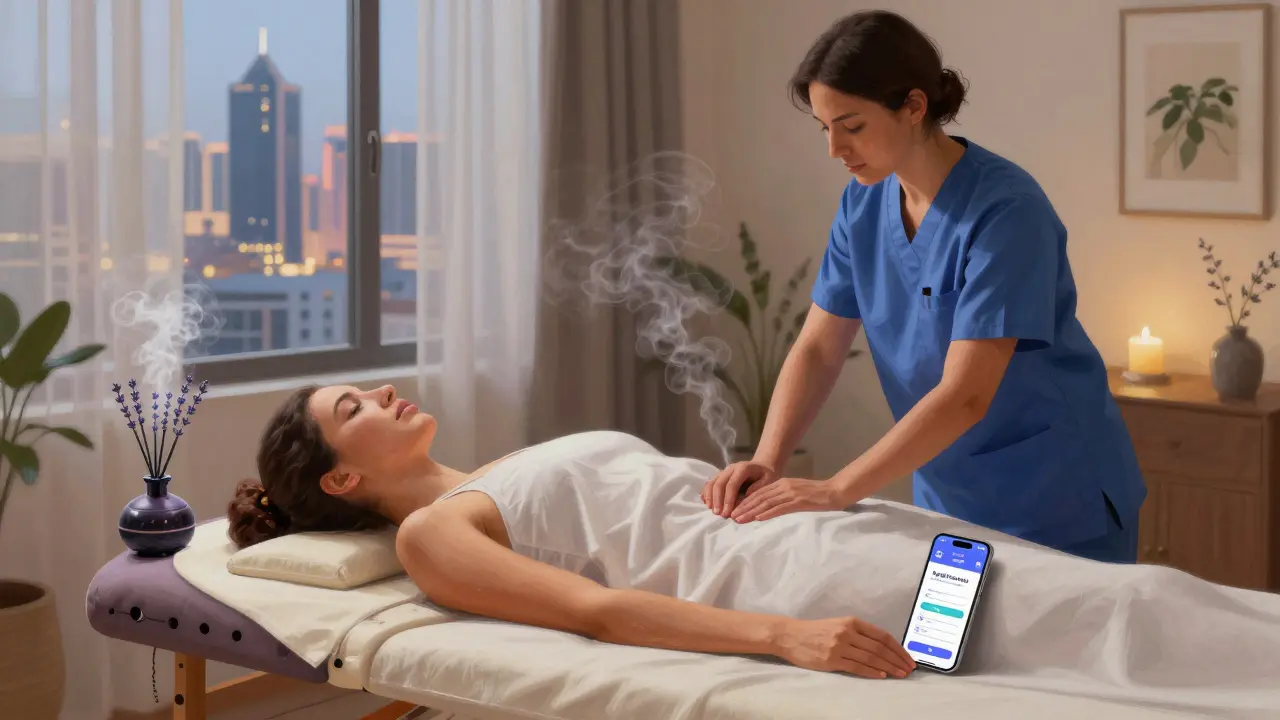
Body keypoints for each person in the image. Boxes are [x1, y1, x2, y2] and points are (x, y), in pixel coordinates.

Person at [225, 383, 1280, 713]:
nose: (384, 392)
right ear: (339, 479)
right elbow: (593, 614)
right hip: (804, 579)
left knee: (1126, 608)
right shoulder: (430, 537)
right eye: (352, 406)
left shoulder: (497, 471)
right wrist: (787, 639)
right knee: (1118, 619)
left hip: (846, 531)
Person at [700, 10, 1147, 564]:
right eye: (825, 127)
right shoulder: (863, 202)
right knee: (950, 652)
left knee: (1063, 650)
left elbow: (968, 394)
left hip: (1054, 493)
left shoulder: (1007, 212)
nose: (835, 148)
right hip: (949, 488)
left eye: (852, 125)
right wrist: (769, 462)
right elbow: (819, 347)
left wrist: (836, 490)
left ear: (913, 106)